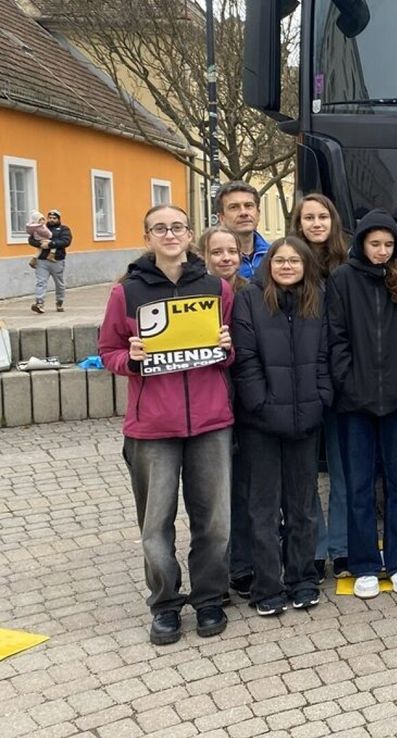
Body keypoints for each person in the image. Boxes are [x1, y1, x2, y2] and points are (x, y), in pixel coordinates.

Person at [98, 204, 235, 645]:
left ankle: (209, 597)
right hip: (152, 426)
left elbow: (230, 352)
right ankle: (165, 604)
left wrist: (226, 346)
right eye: (160, 228)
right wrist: (131, 359)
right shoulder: (126, 293)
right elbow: (108, 351)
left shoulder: (216, 288)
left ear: (190, 234)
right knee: (155, 524)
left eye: (177, 227)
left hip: (211, 421)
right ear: (148, 237)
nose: (170, 234)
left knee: (214, 521)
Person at [326, 209, 397, 599]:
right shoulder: (342, 279)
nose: (381, 250)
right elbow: (336, 337)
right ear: (362, 244)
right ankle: (365, 562)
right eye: (375, 243)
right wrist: (347, 383)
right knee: (359, 485)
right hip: (355, 403)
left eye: (388, 244)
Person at [231, 237, 333, 615]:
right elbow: (245, 359)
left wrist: (321, 397)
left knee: (302, 506)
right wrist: (259, 403)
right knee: (263, 509)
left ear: (305, 265)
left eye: (294, 260)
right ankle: (267, 586)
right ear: (268, 264)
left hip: (306, 418)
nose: (287, 266)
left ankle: (302, 578)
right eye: (280, 260)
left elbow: (325, 353)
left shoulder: (317, 299)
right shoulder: (249, 298)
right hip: (260, 423)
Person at [290, 194, 351, 577]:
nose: (316, 223)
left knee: (343, 470)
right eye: (308, 217)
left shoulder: (348, 265)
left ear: (333, 221)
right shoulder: (288, 265)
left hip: (342, 381)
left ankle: (342, 547)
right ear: (298, 224)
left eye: (322, 216)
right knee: (305, 473)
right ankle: (313, 547)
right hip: (302, 382)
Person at [196, 225, 254, 598]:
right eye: (217, 252)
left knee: (245, 487)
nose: (226, 258)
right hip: (209, 403)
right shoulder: (195, 295)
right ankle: (220, 570)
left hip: (247, 401)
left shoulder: (251, 293)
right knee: (214, 494)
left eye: (231, 251)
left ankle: (243, 564)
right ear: (204, 257)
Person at [215, 181, 270, 280]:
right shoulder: (211, 262)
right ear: (221, 218)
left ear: (258, 214)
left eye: (248, 206)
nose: (243, 213)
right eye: (234, 207)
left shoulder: (274, 254)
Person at [28, 208, 72, 314]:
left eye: (54, 218)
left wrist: (51, 244)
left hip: (57, 260)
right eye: (50, 218)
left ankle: (59, 302)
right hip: (42, 260)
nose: (51, 219)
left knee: (59, 283)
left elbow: (66, 241)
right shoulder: (41, 227)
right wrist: (40, 244)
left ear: (58, 219)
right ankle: (39, 303)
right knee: (41, 282)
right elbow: (31, 239)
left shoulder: (64, 229)